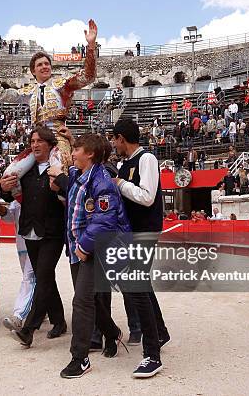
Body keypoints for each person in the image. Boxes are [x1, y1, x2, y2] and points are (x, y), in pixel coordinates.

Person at [0, 19, 97, 194]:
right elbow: (0, 94)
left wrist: (90, 46)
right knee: (9, 175)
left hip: (59, 137)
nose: (45, 67)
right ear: (33, 71)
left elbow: (88, 76)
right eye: (40, 65)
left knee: (57, 177)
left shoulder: (62, 84)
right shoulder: (29, 91)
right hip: (37, 139)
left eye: (47, 64)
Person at [48, 134, 130, 379]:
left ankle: (79, 358)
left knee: (81, 301)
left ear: (90, 153)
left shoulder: (103, 181)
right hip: (78, 248)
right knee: (91, 300)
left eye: (77, 149)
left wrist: (84, 245)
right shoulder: (79, 175)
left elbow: (105, 221)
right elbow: (66, 179)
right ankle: (112, 332)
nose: (73, 153)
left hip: (93, 248)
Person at [0, 127, 68, 347]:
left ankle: (29, 329)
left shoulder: (59, 169)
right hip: (30, 229)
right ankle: (58, 321)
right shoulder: (25, 171)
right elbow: (8, 193)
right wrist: (2, 189)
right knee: (44, 276)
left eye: (39, 141)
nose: (35, 145)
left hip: (52, 232)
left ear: (49, 144)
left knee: (44, 276)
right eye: (32, 141)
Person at [111, 119, 170, 378]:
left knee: (135, 286)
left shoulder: (146, 159)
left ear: (122, 138)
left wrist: (120, 185)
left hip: (144, 230)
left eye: (115, 139)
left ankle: (152, 355)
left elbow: (147, 197)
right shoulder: (127, 163)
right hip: (133, 232)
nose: (114, 144)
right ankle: (160, 333)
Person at [0, 200, 36, 331]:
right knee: (38, 280)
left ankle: (18, 315)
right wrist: (2, 211)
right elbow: (9, 219)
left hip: (37, 243)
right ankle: (45, 309)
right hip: (21, 245)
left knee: (29, 278)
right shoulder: (16, 201)